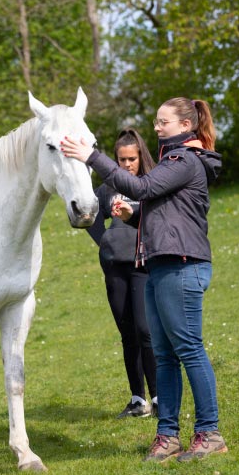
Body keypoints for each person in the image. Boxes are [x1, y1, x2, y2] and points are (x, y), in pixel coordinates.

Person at [60, 97, 227, 462]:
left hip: (181, 266)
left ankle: (209, 432)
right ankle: (167, 436)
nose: (156, 126)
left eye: (163, 121)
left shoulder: (184, 160)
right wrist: (133, 217)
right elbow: (162, 213)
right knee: (165, 356)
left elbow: (143, 189)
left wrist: (91, 156)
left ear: (185, 126)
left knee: (188, 350)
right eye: (156, 120)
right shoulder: (173, 161)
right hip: (159, 265)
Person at [87, 129, 158, 419]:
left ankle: (159, 397)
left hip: (143, 265)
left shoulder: (150, 185)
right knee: (127, 333)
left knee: (145, 331)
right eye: (121, 159)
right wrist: (104, 239)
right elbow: (90, 215)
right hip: (114, 267)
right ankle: (138, 400)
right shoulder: (107, 189)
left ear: (141, 156)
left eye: (131, 158)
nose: (127, 164)